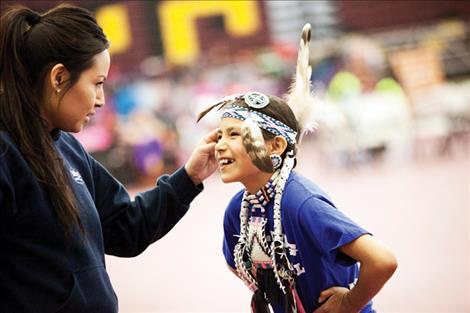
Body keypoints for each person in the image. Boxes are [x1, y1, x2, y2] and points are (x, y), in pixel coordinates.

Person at [0, 4, 217, 313]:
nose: (101, 100)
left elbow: (125, 228)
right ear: (59, 77)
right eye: (97, 83)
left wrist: (189, 178)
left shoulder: (67, 148)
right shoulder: (6, 154)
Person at [197, 24, 397, 312]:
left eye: (234, 135)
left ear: (275, 146)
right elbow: (237, 264)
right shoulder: (237, 210)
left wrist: (351, 302)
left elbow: (382, 260)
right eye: (220, 135)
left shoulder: (301, 203)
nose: (219, 145)